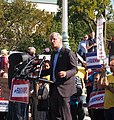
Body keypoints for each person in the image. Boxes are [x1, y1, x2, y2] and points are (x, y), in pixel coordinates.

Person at [41, 32, 78, 120]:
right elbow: (52, 70)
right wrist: (40, 73)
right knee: (55, 114)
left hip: (64, 89)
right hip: (54, 88)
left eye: (54, 39)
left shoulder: (68, 53)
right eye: (51, 40)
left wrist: (66, 73)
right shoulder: (53, 54)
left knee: (65, 114)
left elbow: (75, 69)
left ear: (60, 40)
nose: (52, 41)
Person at [100, 55, 114, 120]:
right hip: (107, 106)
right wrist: (102, 74)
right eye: (110, 65)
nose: (111, 67)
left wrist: (108, 86)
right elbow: (100, 86)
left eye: (113, 66)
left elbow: (108, 87)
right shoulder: (108, 76)